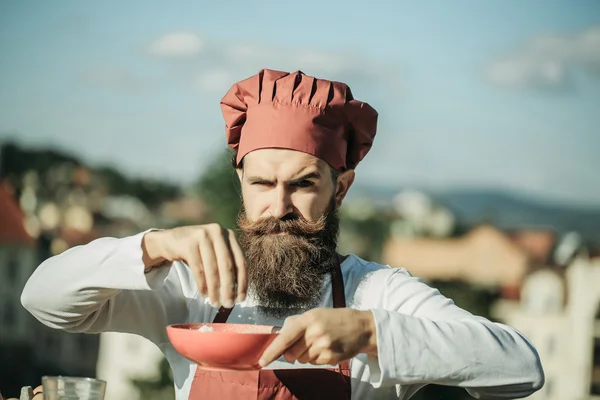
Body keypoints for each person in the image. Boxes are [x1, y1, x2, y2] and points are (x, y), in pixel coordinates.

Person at [21, 69, 544, 400]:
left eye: (303, 185)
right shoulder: (191, 288)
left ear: (340, 190)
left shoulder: (378, 293)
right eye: (262, 183)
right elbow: (44, 299)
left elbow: (520, 367)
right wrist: (154, 244)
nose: (279, 207)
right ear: (241, 185)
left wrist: (370, 333)